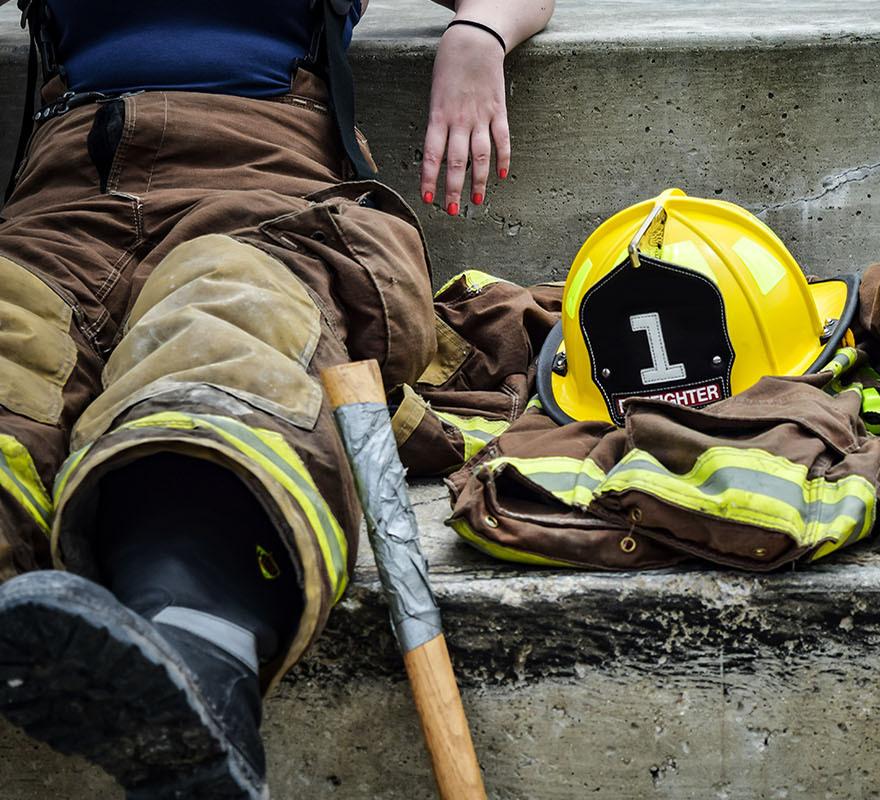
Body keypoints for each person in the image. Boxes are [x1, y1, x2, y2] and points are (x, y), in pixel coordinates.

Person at [0, 0, 552, 798]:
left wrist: (478, 34)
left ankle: (195, 658)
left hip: (265, 190)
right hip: (61, 208)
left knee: (229, 330)